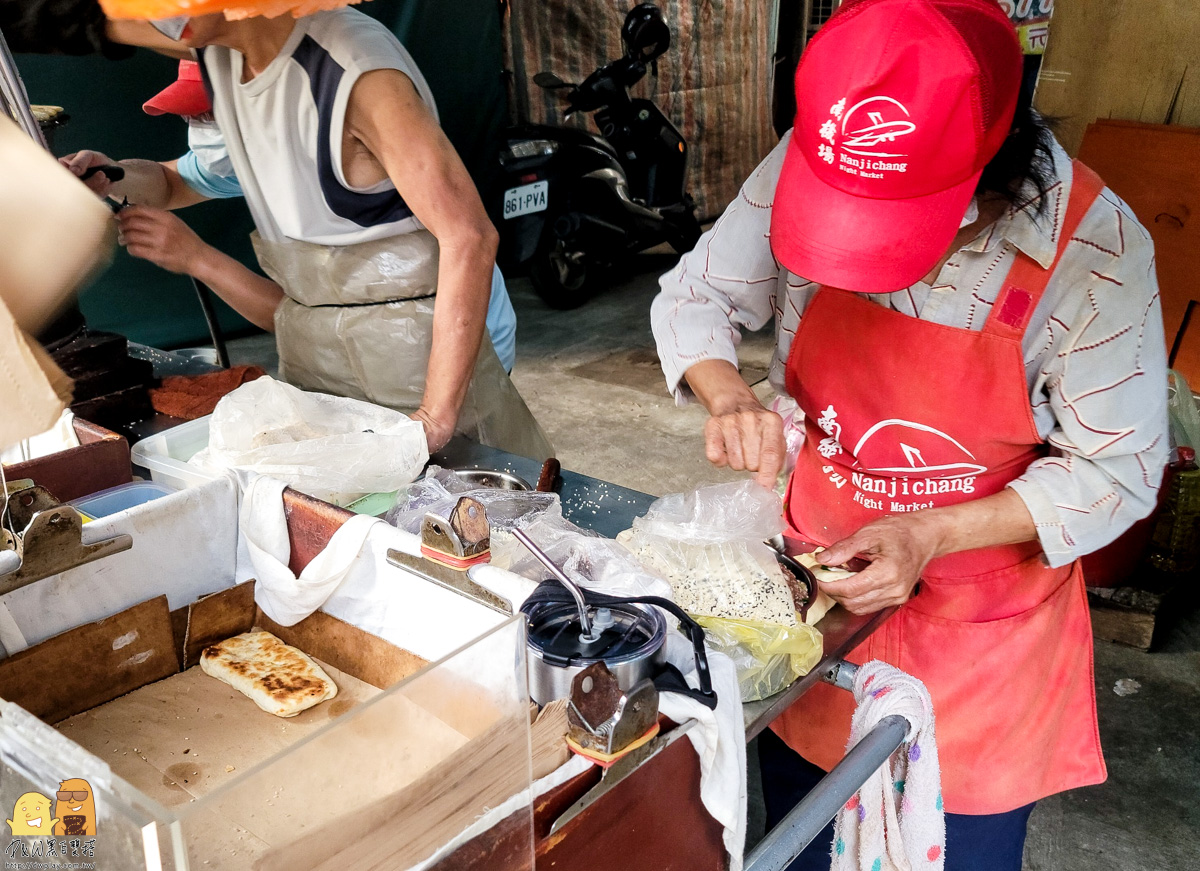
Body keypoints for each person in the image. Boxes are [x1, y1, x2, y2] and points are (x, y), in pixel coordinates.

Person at [651, 0, 1168, 868]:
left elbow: (1117, 468)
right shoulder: (816, 157)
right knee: (791, 837)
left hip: (980, 642)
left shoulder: (1096, 249)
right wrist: (727, 392)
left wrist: (928, 530)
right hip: (809, 609)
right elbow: (695, 296)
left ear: (993, 160)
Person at [64, 6, 551, 459]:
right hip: (318, 369)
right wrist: (115, 175)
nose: (151, 14)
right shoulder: (224, 56)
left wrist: (434, 417)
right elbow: (174, 181)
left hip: (420, 360)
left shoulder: (357, 74)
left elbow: (468, 236)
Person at [137, 59, 519, 373]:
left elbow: (299, 319)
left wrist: (197, 258)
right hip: (374, 353)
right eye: (192, 118)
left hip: (449, 351)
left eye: (210, 114)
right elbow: (169, 182)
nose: (201, 130)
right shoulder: (253, 156)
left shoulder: (341, 166)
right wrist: (107, 176)